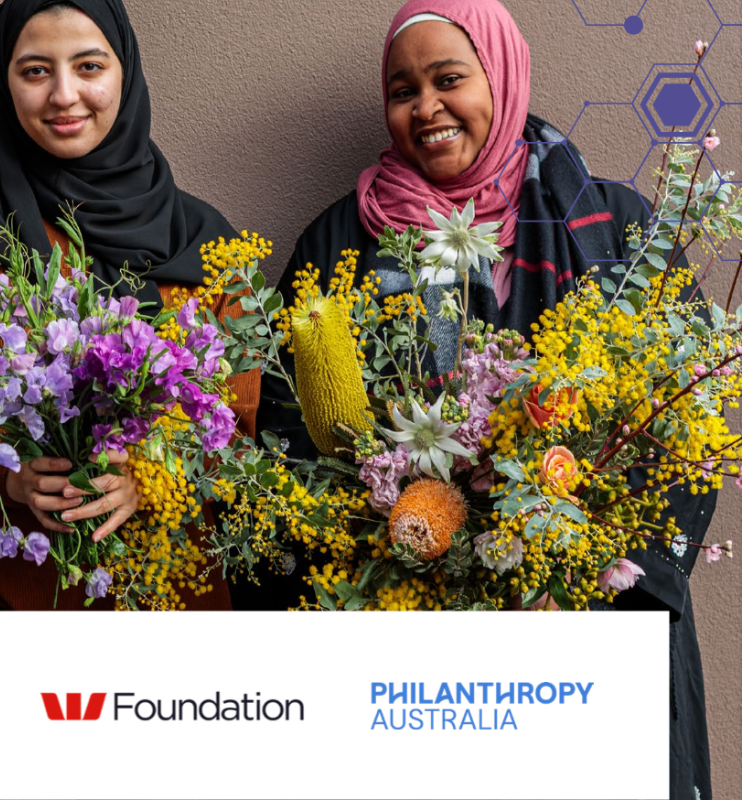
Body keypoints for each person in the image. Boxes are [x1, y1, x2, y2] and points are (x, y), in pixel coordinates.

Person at [256, 2, 714, 796]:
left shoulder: (615, 232)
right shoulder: (339, 250)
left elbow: (685, 421)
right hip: (414, 660)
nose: (426, 108)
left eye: (449, 79)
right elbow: (290, 441)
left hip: (585, 638)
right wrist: (398, 564)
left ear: (499, 75)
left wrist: (583, 588)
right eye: (403, 90)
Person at [0, 0, 255, 610]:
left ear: (126, 72)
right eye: (36, 71)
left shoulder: (205, 241)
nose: (65, 95)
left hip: (159, 608)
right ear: (2, 81)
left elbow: (245, 425)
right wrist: (3, 476)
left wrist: (150, 475)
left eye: (89, 66)